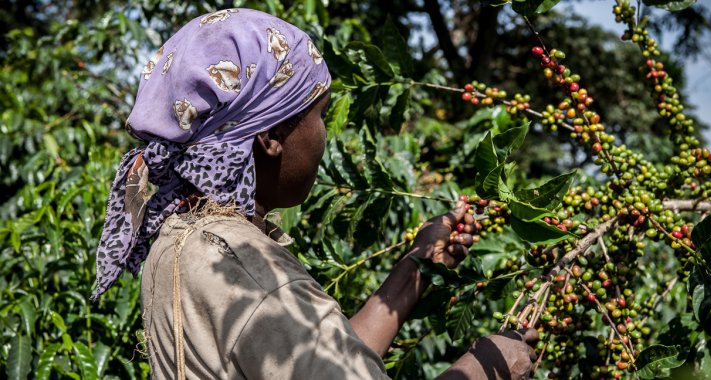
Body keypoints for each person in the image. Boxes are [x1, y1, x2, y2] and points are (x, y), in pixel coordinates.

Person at [92, 8, 538, 380]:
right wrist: (489, 368)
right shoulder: (246, 269)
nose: (326, 135)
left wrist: (417, 266)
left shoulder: (182, 235)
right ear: (269, 135)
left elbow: (322, 362)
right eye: (320, 114)